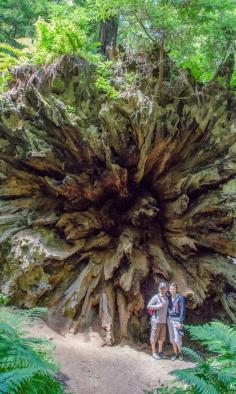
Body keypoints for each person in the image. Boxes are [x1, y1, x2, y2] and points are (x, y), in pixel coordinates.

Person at [147, 282, 169, 360]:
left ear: (166, 289)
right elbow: (149, 306)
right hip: (156, 321)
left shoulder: (166, 298)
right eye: (161, 288)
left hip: (163, 321)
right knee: (154, 337)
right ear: (159, 289)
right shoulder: (156, 297)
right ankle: (154, 352)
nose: (162, 290)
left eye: (164, 288)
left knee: (161, 338)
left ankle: (160, 352)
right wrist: (158, 306)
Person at [167, 282, 186, 361]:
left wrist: (181, 321)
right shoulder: (168, 297)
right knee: (172, 339)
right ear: (169, 290)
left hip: (177, 320)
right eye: (171, 289)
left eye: (173, 289)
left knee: (177, 338)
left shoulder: (180, 297)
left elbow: (182, 309)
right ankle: (175, 353)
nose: (172, 290)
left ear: (176, 289)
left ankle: (180, 352)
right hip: (170, 320)